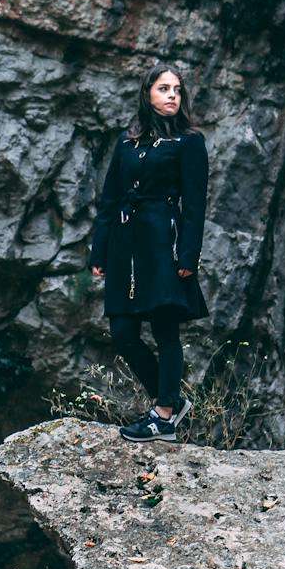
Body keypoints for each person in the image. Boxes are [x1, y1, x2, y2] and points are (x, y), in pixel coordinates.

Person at [88, 61, 210, 442]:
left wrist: (187, 256)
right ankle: (170, 400)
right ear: (147, 94)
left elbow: (195, 204)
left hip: (164, 242)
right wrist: (100, 251)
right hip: (126, 247)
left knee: (164, 327)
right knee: (123, 332)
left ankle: (164, 414)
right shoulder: (127, 143)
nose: (172, 95)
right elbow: (110, 199)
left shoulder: (190, 142)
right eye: (163, 88)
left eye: (176, 89)